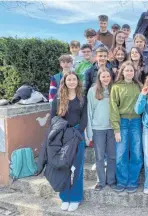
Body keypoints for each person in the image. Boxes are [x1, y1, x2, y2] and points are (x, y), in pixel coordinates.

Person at [50, 72, 87, 212]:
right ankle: (65, 197)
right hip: (62, 136)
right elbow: (53, 118)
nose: (71, 82)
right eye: (69, 79)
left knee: (78, 167)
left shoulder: (82, 98)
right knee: (64, 167)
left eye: (74, 79)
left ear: (78, 81)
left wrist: (78, 132)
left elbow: (84, 118)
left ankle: (76, 197)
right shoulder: (58, 98)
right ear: (64, 82)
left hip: (77, 135)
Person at [110, 61, 143, 193]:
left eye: (131, 70)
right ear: (122, 72)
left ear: (134, 72)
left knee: (136, 153)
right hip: (122, 122)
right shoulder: (116, 87)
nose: (129, 72)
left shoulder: (139, 86)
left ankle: (133, 182)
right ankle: (122, 181)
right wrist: (116, 129)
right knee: (121, 154)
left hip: (136, 122)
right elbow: (113, 108)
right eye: (127, 70)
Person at [87, 68, 116, 191]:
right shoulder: (92, 91)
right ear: (99, 78)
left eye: (108, 76)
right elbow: (89, 111)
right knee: (99, 156)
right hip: (98, 128)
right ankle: (100, 181)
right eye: (103, 76)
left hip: (112, 128)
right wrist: (89, 132)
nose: (106, 79)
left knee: (112, 156)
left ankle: (111, 180)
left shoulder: (114, 90)